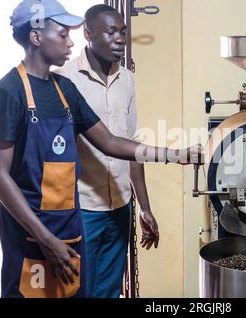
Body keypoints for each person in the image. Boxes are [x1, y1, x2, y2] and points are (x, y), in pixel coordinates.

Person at [0, 0, 200, 298]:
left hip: (67, 225)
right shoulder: (7, 93)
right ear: (37, 37)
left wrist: (175, 155)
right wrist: (45, 238)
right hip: (30, 232)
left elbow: (111, 142)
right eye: (62, 35)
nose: (69, 41)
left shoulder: (64, 90)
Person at [55, 4, 158, 298]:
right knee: (80, 289)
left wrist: (144, 207)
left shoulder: (127, 79)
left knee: (110, 290)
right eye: (111, 32)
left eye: (123, 33)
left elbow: (131, 143)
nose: (120, 40)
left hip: (120, 207)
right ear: (88, 33)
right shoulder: (65, 79)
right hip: (83, 207)